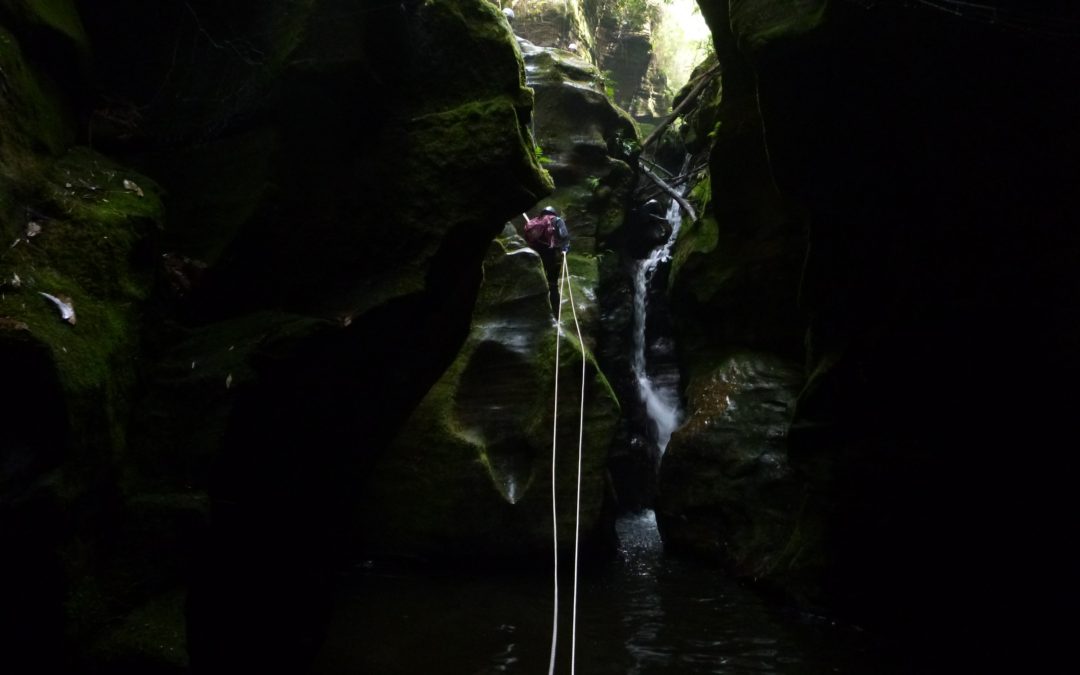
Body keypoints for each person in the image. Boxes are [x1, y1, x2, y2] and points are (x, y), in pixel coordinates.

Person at [522, 206, 571, 310]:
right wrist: (565, 248)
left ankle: (540, 309)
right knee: (553, 284)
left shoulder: (534, 223)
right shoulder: (557, 220)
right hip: (553, 255)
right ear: (554, 213)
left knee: (539, 282)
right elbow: (564, 235)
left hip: (537, 256)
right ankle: (555, 311)